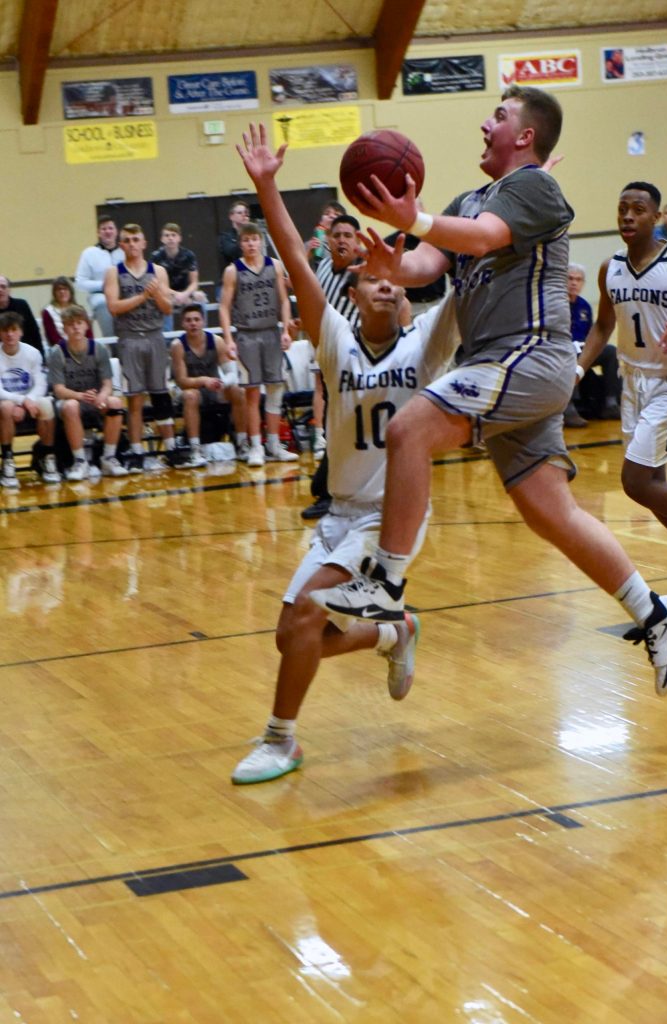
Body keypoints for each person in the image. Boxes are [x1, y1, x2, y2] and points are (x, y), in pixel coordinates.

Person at [310, 86, 667, 699]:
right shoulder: (469, 199)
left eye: (499, 116)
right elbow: (427, 268)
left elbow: (483, 237)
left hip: (528, 355)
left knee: (408, 428)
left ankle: (388, 582)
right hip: (501, 366)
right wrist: (389, 262)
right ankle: (657, 614)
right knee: (551, 514)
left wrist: (417, 220)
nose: (486, 125)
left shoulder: (535, 187)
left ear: (526, 135)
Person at [231, 123, 458, 784]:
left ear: (408, 292)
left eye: (395, 277)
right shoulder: (333, 340)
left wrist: (421, 215)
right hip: (339, 511)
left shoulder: (428, 344)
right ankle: (394, 632)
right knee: (291, 636)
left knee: (304, 617)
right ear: (350, 293)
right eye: (371, 276)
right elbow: (298, 264)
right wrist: (267, 185)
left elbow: (468, 280)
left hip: (389, 519)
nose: (386, 283)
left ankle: (282, 739)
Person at [577, 182, 667, 543]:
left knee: (635, 482)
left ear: (655, 217)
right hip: (632, 383)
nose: (627, 215)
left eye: (638, 209)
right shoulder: (611, 268)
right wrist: (577, 369)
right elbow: (603, 325)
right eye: (623, 208)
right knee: (654, 489)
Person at [104, 223, 190, 472]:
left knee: (160, 394)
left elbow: (166, 309)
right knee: (134, 399)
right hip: (130, 337)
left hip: (154, 336)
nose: (131, 244)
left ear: (144, 244)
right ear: (121, 245)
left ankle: (171, 447)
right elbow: (113, 307)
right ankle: (136, 450)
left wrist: (156, 295)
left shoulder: (158, 271)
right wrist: (143, 296)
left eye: (135, 239)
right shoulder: (114, 272)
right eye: (127, 240)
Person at [302, 214, 365, 519]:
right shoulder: (324, 266)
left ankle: (330, 492)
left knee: (340, 425)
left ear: (358, 241)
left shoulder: (362, 273)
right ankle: (333, 485)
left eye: (348, 235)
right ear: (328, 239)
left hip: (355, 362)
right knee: (334, 424)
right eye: (337, 235)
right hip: (329, 359)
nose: (342, 240)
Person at [218, 222, 296, 467]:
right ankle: (255, 447)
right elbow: (223, 307)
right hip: (247, 335)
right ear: (240, 244)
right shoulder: (233, 271)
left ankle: (274, 445)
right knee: (252, 394)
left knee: (275, 390)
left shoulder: (275, 266)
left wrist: (286, 329)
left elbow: (284, 301)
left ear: (261, 240)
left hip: (272, 332)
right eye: (246, 240)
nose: (250, 244)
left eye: (254, 239)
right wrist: (229, 339)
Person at [47, 304, 128, 481]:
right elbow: (59, 390)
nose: (76, 327)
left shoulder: (98, 349)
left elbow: (107, 384)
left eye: (79, 322)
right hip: (71, 400)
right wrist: (79, 395)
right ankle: (80, 461)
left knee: (115, 402)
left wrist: (102, 395)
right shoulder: (57, 353)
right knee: (70, 406)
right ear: (64, 328)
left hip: (94, 399)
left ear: (86, 325)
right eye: (71, 324)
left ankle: (108, 458)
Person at [170, 304, 248, 465]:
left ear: (203, 322)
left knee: (238, 391)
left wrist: (222, 383)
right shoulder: (178, 346)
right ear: (182, 324)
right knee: (191, 395)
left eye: (196, 319)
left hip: (213, 388)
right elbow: (182, 381)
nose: (193, 323)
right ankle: (195, 450)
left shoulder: (216, 341)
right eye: (189, 320)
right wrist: (204, 381)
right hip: (188, 390)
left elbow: (232, 373)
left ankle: (242, 444)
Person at [0, 311, 59, 488]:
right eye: (5, 330)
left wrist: (27, 402)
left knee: (47, 404)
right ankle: (8, 462)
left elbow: (41, 384)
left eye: (13, 329)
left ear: (21, 332)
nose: (10, 334)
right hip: (8, 403)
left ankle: (47, 458)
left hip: (29, 401)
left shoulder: (32, 353)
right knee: (6, 407)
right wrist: (21, 401)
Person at [564, 263, 620, 425]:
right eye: (570, 279)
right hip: (563, 350)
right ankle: (569, 408)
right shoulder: (555, 303)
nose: (574, 283)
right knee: (570, 355)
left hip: (582, 348)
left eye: (579, 280)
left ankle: (610, 403)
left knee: (610, 352)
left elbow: (591, 333)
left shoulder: (584, 306)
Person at [150, 223, 208, 332]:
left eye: (173, 235)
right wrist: (177, 295)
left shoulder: (189, 255)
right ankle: (167, 338)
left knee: (201, 297)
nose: (170, 238)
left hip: (186, 293)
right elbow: (159, 285)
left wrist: (185, 295)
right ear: (162, 239)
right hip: (166, 293)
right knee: (160, 300)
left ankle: (202, 333)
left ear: (179, 238)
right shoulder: (156, 257)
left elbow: (194, 282)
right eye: (167, 235)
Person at [75, 215, 124, 339]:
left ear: (116, 231)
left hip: (124, 294)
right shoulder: (89, 253)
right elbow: (80, 282)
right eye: (104, 229)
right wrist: (105, 284)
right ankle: (112, 345)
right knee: (103, 304)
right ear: (98, 232)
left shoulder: (125, 251)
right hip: (100, 296)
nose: (108, 231)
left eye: (110, 228)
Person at [42, 276, 94, 347]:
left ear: (71, 291)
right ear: (54, 293)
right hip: (61, 349)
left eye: (65, 289)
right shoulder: (48, 312)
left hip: (83, 347)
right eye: (59, 289)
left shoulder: (80, 309)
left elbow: (89, 334)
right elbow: (52, 337)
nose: (62, 292)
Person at [0, 276, 44, 356]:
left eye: (3, 286)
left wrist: (41, 355)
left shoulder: (22, 305)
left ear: (9, 290)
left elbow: (34, 332)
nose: (0, 290)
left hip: (26, 354)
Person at [306, 199, 346, 269]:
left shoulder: (349, 243)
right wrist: (308, 253)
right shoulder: (311, 244)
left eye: (337, 214)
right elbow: (294, 268)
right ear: (321, 222)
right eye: (327, 214)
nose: (331, 216)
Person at [217, 199, 250, 275]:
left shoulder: (252, 235)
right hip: (232, 277)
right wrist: (243, 232)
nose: (244, 215)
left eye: (246, 213)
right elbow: (231, 252)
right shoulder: (225, 236)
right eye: (239, 213)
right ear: (231, 216)